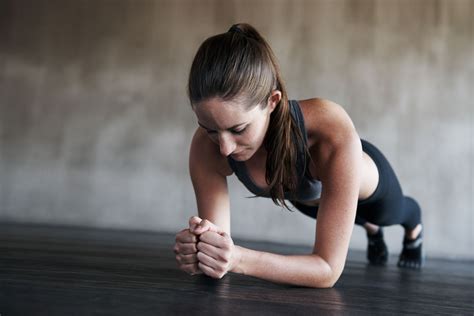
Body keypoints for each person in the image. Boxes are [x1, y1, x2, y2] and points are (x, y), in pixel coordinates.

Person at [174, 23, 424, 288]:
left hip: (365, 180)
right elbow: (218, 245)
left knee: (389, 214)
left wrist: (237, 259)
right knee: (336, 214)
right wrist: (201, 250)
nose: (224, 148)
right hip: (308, 197)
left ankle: (414, 229)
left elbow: (327, 270)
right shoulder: (205, 147)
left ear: (272, 101)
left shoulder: (329, 129)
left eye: (238, 129)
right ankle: (372, 231)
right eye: (211, 130)